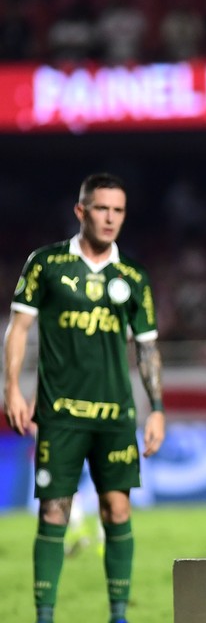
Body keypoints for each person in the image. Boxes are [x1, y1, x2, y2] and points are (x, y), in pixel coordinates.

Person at [2, 173, 166, 623]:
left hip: (115, 414)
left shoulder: (133, 276)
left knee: (117, 508)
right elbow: (18, 329)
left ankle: (118, 615)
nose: (110, 218)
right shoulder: (46, 264)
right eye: (101, 209)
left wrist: (157, 410)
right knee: (55, 510)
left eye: (118, 211)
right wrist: (11, 387)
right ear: (81, 211)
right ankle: (45, 617)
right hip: (61, 413)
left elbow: (147, 347)